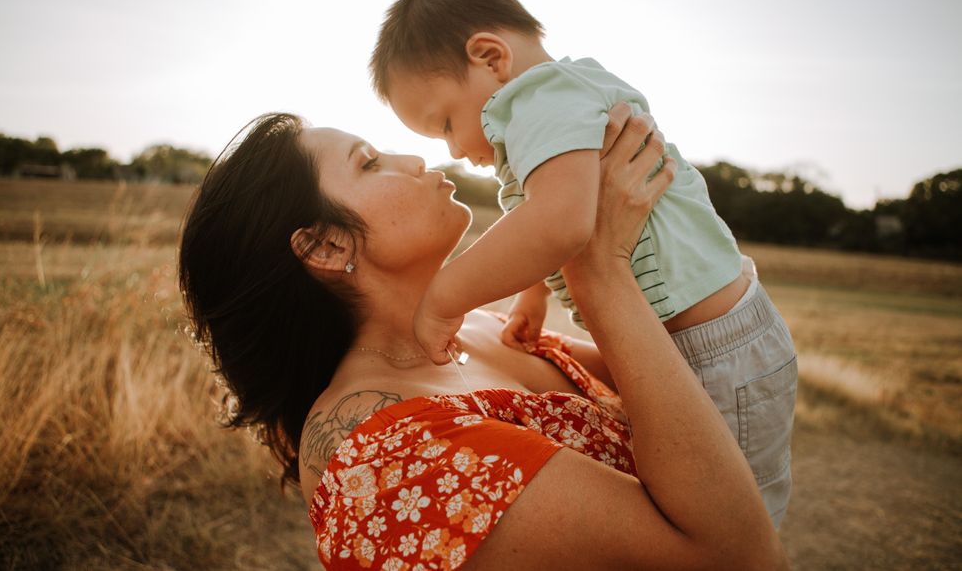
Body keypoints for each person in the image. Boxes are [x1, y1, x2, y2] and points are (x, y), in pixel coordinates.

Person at [178, 105, 788, 570]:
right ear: (326, 245)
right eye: (368, 163)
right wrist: (597, 266)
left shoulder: (482, 326)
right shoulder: (383, 456)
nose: (417, 160)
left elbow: (692, 386)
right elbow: (738, 557)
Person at [370, 0, 797, 524]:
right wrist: (533, 298)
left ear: (490, 57)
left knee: (734, 520)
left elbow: (558, 223)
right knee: (690, 501)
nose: (454, 147)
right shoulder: (550, 111)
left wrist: (445, 297)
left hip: (716, 349)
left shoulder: (542, 99)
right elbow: (548, 215)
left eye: (447, 122)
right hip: (694, 341)